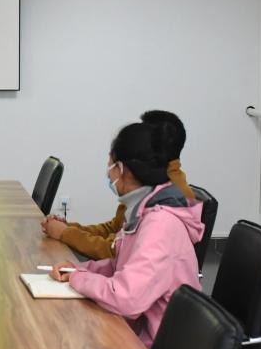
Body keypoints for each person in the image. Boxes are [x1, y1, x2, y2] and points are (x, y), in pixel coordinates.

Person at [49, 123, 204, 349]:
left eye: (110, 165)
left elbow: (126, 297)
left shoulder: (160, 225)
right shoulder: (144, 210)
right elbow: (120, 266)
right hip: (138, 331)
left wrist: (77, 279)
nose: (108, 172)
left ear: (122, 169)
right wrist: (78, 269)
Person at [41, 110, 194, 259]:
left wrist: (66, 233)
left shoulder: (163, 201)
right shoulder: (142, 188)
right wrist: (69, 228)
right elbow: (115, 229)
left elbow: (115, 252)